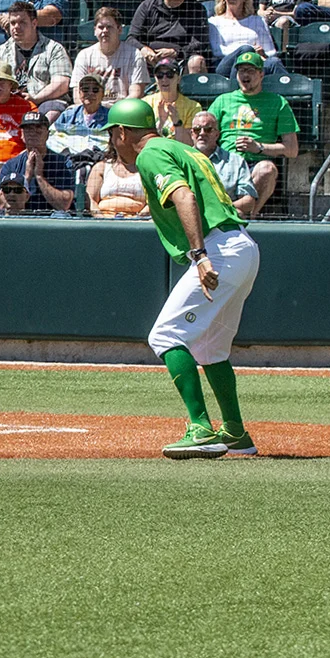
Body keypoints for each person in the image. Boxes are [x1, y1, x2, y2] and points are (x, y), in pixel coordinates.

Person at [103, 97, 260, 459]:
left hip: (217, 250)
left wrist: (200, 256)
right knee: (210, 348)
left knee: (164, 335)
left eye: (112, 134)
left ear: (122, 132)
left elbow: (185, 197)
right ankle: (235, 432)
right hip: (241, 247)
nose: (112, 141)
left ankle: (201, 427)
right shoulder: (181, 147)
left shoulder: (149, 154)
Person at [207, 50, 299, 215]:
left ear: (261, 74)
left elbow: (292, 150)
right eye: (241, 70)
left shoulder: (278, 102)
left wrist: (259, 147)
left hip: (255, 164)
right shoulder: (222, 100)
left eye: (250, 70)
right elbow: (206, 134)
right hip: (224, 162)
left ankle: (248, 216)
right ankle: (231, 212)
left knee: (267, 170)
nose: (245, 75)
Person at [0, 0, 72, 119]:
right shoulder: (0, 52)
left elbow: (62, 83)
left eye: (22, 22)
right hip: (8, 104)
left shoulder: (54, 49)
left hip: (44, 102)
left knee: (52, 111)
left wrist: (36, 98)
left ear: (34, 23)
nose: (16, 27)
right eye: (13, 23)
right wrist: (5, 100)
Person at [127, 0, 209, 73]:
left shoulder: (197, 9)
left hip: (180, 61)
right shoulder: (147, 6)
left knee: (197, 61)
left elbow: (199, 44)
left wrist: (176, 53)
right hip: (150, 59)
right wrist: (144, 50)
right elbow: (131, 38)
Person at [0, 110, 75, 211]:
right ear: (22, 134)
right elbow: (1, 204)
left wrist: (39, 176)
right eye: (28, 129)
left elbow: (64, 205)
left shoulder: (63, 163)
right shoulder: (11, 165)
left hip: (54, 218)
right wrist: (26, 177)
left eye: (38, 129)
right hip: (21, 217)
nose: (33, 133)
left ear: (47, 134)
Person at [209, 0, 287, 76]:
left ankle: (292, 89)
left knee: (274, 62)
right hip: (226, 66)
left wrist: (262, 53)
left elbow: (271, 51)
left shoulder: (257, 21)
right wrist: (249, 50)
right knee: (246, 50)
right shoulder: (214, 22)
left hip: (255, 63)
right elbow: (218, 51)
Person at [71, 7, 147, 106]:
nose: (105, 31)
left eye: (109, 27)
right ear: (94, 31)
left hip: (121, 111)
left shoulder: (134, 55)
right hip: (92, 110)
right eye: (101, 27)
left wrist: (114, 112)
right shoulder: (84, 55)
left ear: (119, 30)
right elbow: (77, 94)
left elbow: (136, 93)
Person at [189, 110, 259, 217]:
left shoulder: (235, 161)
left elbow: (248, 201)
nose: (202, 133)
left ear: (217, 134)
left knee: (238, 213)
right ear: (192, 134)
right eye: (197, 129)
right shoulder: (182, 159)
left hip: (223, 216)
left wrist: (220, 209)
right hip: (190, 215)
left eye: (208, 130)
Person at [85, 133, 147, 216]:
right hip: (104, 221)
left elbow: (152, 203)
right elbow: (92, 201)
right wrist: (102, 220)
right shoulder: (101, 168)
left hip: (137, 221)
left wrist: (138, 219)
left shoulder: (145, 169)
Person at [143, 56, 201, 141]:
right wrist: (160, 123)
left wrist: (177, 122)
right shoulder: (146, 103)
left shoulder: (193, 107)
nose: (164, 79)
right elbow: (142, 141)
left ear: (178, 79)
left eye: (170, 74)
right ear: (155, 79)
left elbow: (190, 143)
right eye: (160, 75)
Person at [52, 72, 109, 148]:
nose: (90, 93)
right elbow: (53, 137)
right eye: (85, 89)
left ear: (103, 94)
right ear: (79, 93)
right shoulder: (67, 115)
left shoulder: (110, 117)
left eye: (95, 90)